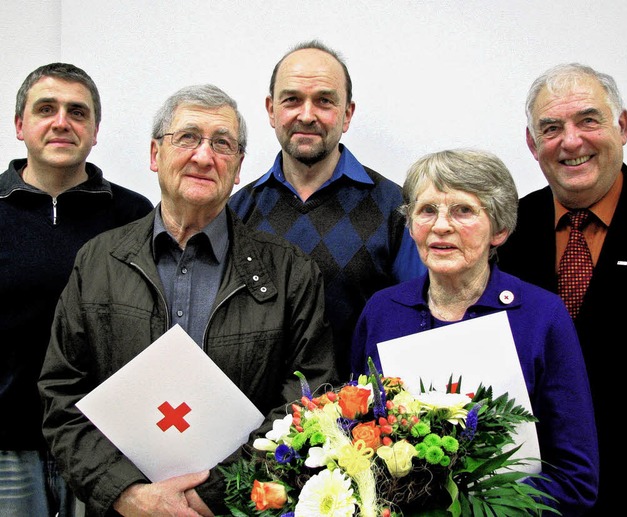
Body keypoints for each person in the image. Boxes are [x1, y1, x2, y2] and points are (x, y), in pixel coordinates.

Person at [38, 83, 337, 516]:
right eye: (188, 138)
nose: (203, 156)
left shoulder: (291, 273)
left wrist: (209, 495)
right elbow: (62, 394)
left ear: (237, 169)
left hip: (242, 507)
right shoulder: (98, 261)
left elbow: (307, 400)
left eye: (222, 144)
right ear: (155, 154)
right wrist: (127, 494)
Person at [351, 149, 598, 515]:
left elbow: (577, 478)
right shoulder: (383, 311)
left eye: (463, 210)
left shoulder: (542, 316)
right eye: (427, 210)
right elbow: (356, 434)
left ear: (499, 229)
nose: (441, 226)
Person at [0, 62, 153, 517]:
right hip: (7, 445)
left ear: (95, 129)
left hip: (104, 445)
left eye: (77, 112)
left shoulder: (133, 214)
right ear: (20, 125)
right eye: (46, 109)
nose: (62, 122)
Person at [229, 40, 425, 380]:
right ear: (271, 110)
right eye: (292, 100)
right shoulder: (239, 209)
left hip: (366, 421)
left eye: (324, 101)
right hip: (259, 423)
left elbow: (420, 317)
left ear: (347, 114)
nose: (307, 115)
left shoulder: (397, 207)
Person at [496, 63, 627, 514]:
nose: (571, 141)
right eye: (551, 128)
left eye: (588, 120)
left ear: (622, 126)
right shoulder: (504, 231)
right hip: (531, 495)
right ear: (532, 144)